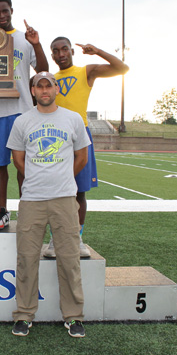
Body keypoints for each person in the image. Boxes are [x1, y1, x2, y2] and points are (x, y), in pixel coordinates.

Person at [7, 72, 90, 338]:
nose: (44, 90)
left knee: (69, 259)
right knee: (27, 259)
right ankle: (24, 314)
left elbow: (81, 157)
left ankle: (74, 316)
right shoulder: (22, 121)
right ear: (32, 90)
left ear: (56, 88)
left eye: (48, 85)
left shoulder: (73, 119)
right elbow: (18, 159)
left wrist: (62, 177)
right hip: (32, 199)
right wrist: (36, 177)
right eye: (39, 86)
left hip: (65, 198)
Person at [44, 37, 129, 258]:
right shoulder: (50, 80)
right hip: (55, 140)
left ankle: (77, 237)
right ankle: (56, 238)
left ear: (72, 51)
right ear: (52, 55)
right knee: (55, 191)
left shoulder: (86, 71)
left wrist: (98, 51)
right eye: (56, 51)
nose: (61, 54)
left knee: (79, 191)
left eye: (64, 49)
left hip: (79, 136)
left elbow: (123, 68)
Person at [0, 0, 48, 230]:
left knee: (23, 162)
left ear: (12, 11)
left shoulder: (25, 40)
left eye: (5, 11)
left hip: (23, 109)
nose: (1, 16)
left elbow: (43, 72)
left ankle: (26, 207)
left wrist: (36, 43)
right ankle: (3, 211)